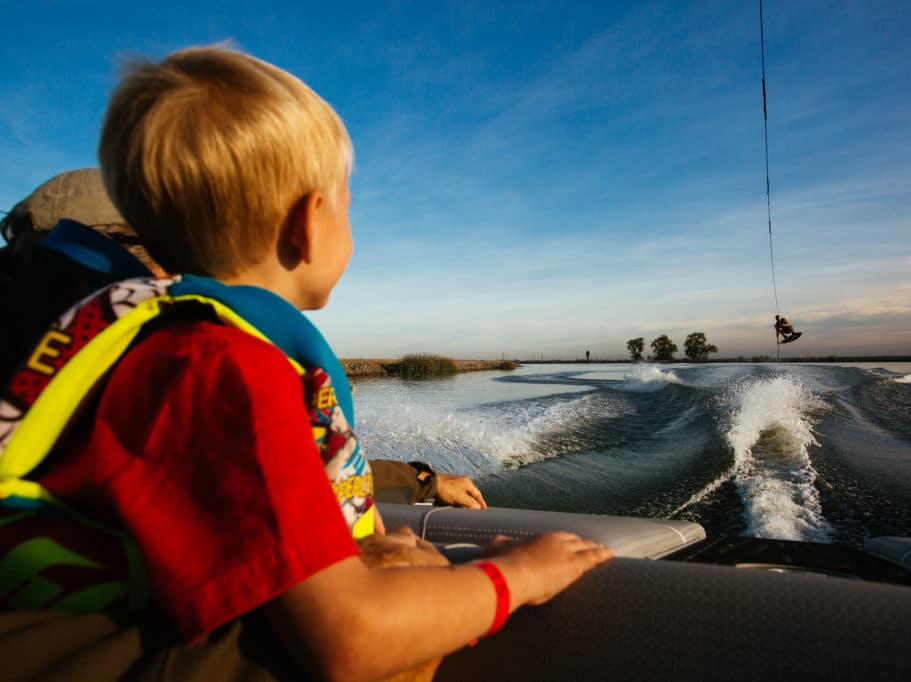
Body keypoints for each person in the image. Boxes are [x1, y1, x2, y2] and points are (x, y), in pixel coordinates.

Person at [0, 46, 611, 680]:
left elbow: (284, 479)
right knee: (415, 569)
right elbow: (349, 637)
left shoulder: (176, 348)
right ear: (309, 224)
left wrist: (412, 500)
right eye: (347, 202)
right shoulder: (223, 366)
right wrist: (519, 575)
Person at [0, 168, 486, 510]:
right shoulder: (170, 355)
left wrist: (422, 479)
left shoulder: (57, 347)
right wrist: (423, 481)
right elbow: (295, 475)